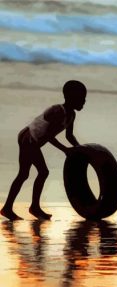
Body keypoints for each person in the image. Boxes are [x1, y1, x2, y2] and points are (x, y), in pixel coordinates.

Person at [1, 80, 87, 220]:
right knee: (41, 172)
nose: (84, 102)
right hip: (28, 138)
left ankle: (9, 208)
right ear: (71, 98)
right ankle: (31, 208)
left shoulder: (71, 115)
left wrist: (80, 148)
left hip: (33, 140)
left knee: (25, 174)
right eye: (81, 99)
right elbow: (48, 135)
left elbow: (69, 135)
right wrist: (65, 150)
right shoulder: (57, 111)